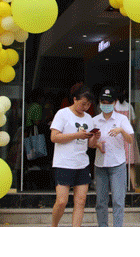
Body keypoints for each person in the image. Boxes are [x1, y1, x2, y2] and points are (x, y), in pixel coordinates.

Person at [50, 87, 101, 227]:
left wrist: (95, 137)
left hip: (82, 163)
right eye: (83, 103)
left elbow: (90, 145)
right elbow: (54, 137)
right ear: (74, 99)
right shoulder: (63, 114)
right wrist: (77, 135)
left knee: (81, 201)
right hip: (64, 163)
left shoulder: (88, 118)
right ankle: (54, 226)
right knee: (62, 201)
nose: (86, 107)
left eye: (88, 104)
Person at [92, 86, 135, 227]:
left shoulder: (122, 119)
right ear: (99, 102)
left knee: (118, 201)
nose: (106, 105)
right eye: (103, 102)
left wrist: (121, 130)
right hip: (100, 164)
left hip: (118, 164)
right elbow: (90, 144)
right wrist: (96, 142)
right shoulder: (95, 120)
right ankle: (102, 227)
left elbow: (130, 140)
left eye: (109, 102)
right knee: (100, 202)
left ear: (115, 102)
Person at [114, 86, 140, 191]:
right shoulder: (129, 106)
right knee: (131, 163)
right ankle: (133, 186)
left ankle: (117, 186)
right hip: (128, 136)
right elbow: (133, 121)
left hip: (117, 136)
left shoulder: (114, 106)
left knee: (116, 163)